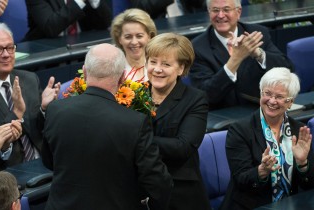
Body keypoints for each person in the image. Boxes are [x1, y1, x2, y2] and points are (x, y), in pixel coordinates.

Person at [41, 43, 173, 210]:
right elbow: (158, 182)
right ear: (123, 78)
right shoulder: (135, 122)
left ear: (85, 72)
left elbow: (49, 161)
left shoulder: (55, 109)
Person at [220, 67, 314, 210]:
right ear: (260, 93)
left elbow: (309, 184)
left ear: (290, 102)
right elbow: (241, 180)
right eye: (267, 93)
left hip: (290, 205)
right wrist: (261, 171)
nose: (272, 100)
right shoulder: (240, 130)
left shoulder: (299, 131)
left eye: (280, 97)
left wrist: (302, 163)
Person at [145, 32, 211, 210]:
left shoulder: (195, 99)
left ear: (181, 68)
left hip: (180, 191)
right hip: (140, 189)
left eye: (166, 64)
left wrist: (138, 141)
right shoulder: (134, 93)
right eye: (153, 62)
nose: (157, 69)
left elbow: (183, 147)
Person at [189, 0, 293, 110]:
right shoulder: (197, 47)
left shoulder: (256, 33)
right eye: (215, 10)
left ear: (238, 12)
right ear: (209, 13)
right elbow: (207, 95)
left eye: (226, 10)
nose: (220, 15)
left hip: (261, 109)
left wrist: (258, 54)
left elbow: (287, 69)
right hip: (224, 114)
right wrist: (235, 59)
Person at [0, 21, 60, 170]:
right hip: (8, 170)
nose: (6, 54)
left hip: (43, 161)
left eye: (10, 48)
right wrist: (15, 112)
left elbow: (39, 129)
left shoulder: (29, 79)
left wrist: (44, 109)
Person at [24, 0, 112, 41]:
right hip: (45, 53)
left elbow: (106, 24)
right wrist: (80, 2)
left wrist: (95, 1)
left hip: (82, 47)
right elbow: (50, 27)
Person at [111, 8, 157, 82]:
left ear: (150, 36)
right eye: (128, 37)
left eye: (139, 36)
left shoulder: (161, 68)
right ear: (119, 39)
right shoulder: (114, 73)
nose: (134, 42)